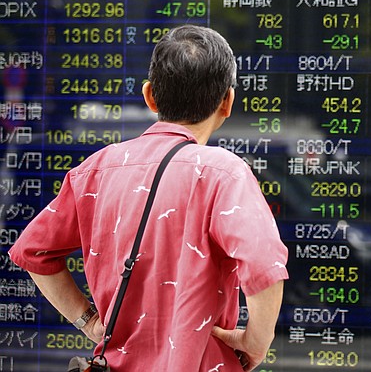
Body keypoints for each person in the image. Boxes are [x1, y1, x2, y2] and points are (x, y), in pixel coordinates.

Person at [9, 25, 288, 370]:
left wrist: (89, 322)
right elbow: (264, 267)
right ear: (227, 102)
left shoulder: (96, 169)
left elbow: (33, 252)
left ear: (150, 96)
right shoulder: (223, 173)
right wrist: (255, 342)